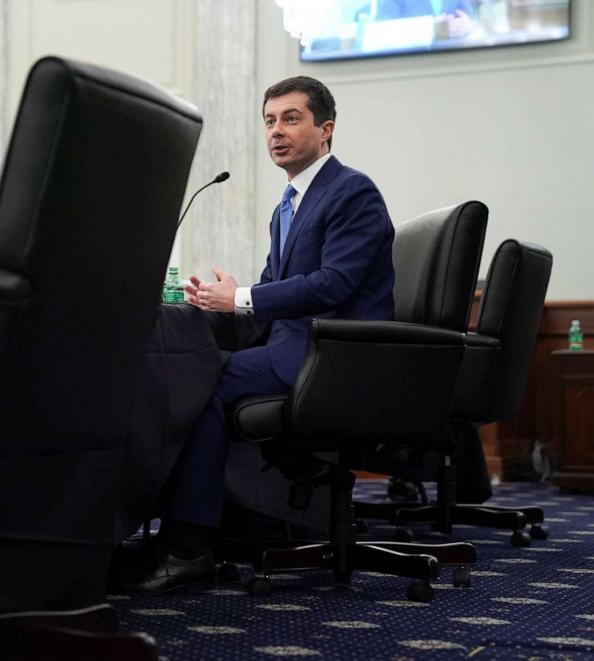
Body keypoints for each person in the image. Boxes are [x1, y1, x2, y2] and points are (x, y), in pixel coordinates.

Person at [123, 76, 396, 594]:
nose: (276, 131)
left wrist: (243, 297)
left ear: (326, 129)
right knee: (183, 370)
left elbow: (333, 283)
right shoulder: (288, 206)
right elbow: (275, 287)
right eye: (269, 121)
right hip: (293, 349)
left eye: (291, 118)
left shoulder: (352, 191)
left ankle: (188, 548)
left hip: (333, 359)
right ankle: (176, 537)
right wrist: (221, 297)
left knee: (199, 386)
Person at [376, 0, 477, 39]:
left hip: (457, 59)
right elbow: (381, 32)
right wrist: (428, 29)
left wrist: (467, 25)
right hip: (411, 63)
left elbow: (472, 19)